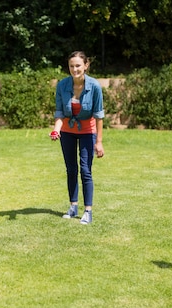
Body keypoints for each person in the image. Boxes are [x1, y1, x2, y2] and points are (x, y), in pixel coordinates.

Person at [50, 51, 105, 225]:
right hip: (67, 131)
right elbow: (59, 112)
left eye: (78, 65)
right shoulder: (62, 85)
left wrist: (99, 142)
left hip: (88, 130)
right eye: (72, 66)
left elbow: (99, 115)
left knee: (85, 170)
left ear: (86, 65)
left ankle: (88, 211)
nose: (75, 69)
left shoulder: (94, 86)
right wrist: (56, 130)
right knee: (71, 169)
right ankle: (73, 206)